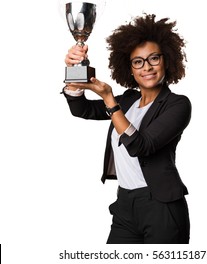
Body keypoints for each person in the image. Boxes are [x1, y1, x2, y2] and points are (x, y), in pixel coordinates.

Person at [62, 14, 192, 244]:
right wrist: (74, 75)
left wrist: (109, 100)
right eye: (138, 61)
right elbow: (82, 110)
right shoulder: (129, 101)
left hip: (162, 207)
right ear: (130, 69)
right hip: (125, 205)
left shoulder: (177, 104)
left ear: (166, 61)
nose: (147, 67)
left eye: (154, 58)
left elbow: (141, 146)